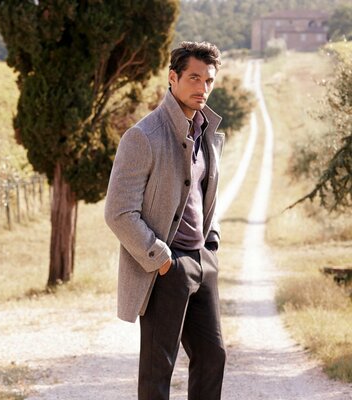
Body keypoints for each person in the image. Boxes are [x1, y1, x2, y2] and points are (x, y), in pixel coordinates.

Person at [104, 41, 226, 400]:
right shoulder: (143, 136)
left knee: (212, 356)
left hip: (202, 262)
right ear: (172, 78)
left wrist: (212, 245)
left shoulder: (206, 133)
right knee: (159, 368)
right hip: (165, 267)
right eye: (193, 78)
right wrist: (161, 261)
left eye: (208, 80)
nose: (202, 87)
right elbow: (118, 212)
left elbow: (205, 196)